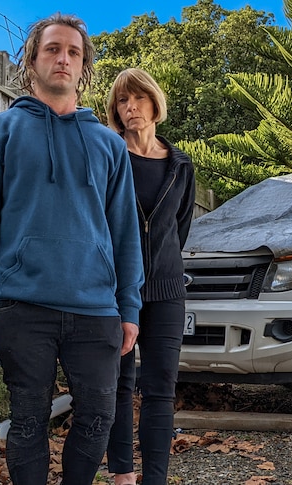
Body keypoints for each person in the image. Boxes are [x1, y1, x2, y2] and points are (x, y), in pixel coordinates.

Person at [0, 13, 144, 485]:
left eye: (73, 52)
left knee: (99, 416)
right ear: (32, 60)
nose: (63, 59)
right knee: (28, 420)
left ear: (84, 67)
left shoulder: (108, 145)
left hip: (96, 307)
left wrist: (130, 307)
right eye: (53, 49)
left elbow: (125, 233)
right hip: (22, 304)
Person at [104, 68, 196, 485]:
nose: (130, 108)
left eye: (137, 99)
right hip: (115, 293)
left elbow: (179, 227)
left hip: (166, 292)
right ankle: (122, 474)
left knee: (160, 388)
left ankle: (154, 479)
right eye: (122, 101)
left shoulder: (181, 165)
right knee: (118, 387)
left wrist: (159, 265)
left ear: (154, 104)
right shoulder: (109, 156)